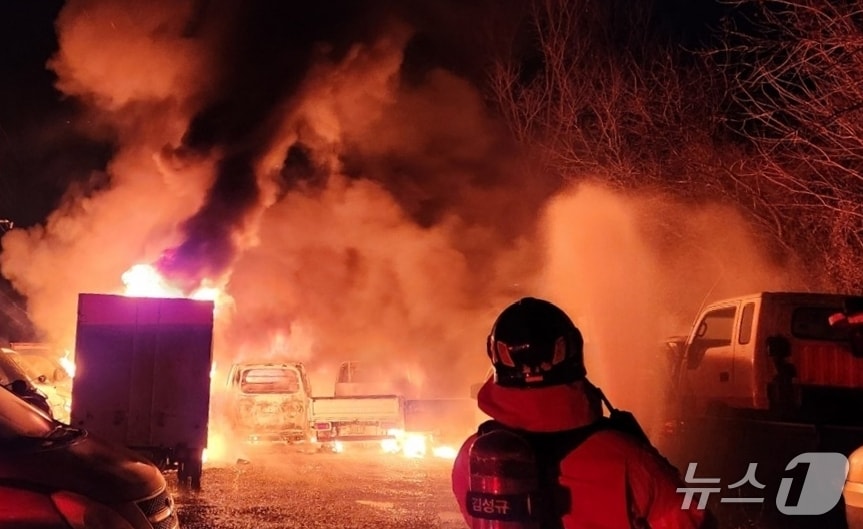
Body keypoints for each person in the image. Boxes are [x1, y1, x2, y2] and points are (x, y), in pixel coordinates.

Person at [451, 297, 715, 529]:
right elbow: (692, 520)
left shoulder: (473, 456)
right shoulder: (629, 458)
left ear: (495, 356)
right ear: (574, 351)